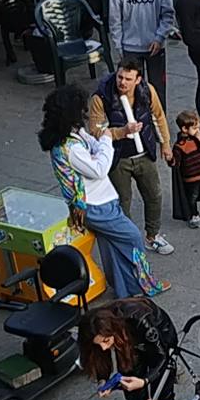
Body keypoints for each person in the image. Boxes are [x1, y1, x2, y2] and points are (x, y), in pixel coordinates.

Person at [39, 84, 164, 300]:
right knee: (132, 236)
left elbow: (95, 148)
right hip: (96, 205)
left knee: (112, 247)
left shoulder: (74, 135)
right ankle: (143, 283)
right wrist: (107, 138)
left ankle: (126, 289)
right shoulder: (71, 148)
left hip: (99, 201)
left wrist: (102, 145)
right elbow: (99, 168)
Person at [88, 57, 175, 258]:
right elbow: (95, 132)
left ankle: (152, 236)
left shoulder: (147, 90)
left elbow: (158, 116)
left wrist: (165, 144)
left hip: (144, 153)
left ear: (138, 79)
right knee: (122, 202)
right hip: (118, 159)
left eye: (128, 78)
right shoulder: (101, 97)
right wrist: (122, 132)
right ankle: (126, 243)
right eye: (120, 77)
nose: (123, 83)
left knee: (154, 195)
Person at [107, 0, 176, 105]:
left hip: (155, 47)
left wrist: (159, 38)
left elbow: (168, 15)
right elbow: (115, 23)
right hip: (130, 48)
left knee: (158, 89)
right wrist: (119, 48)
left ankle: (159, 123)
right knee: (132, 91)